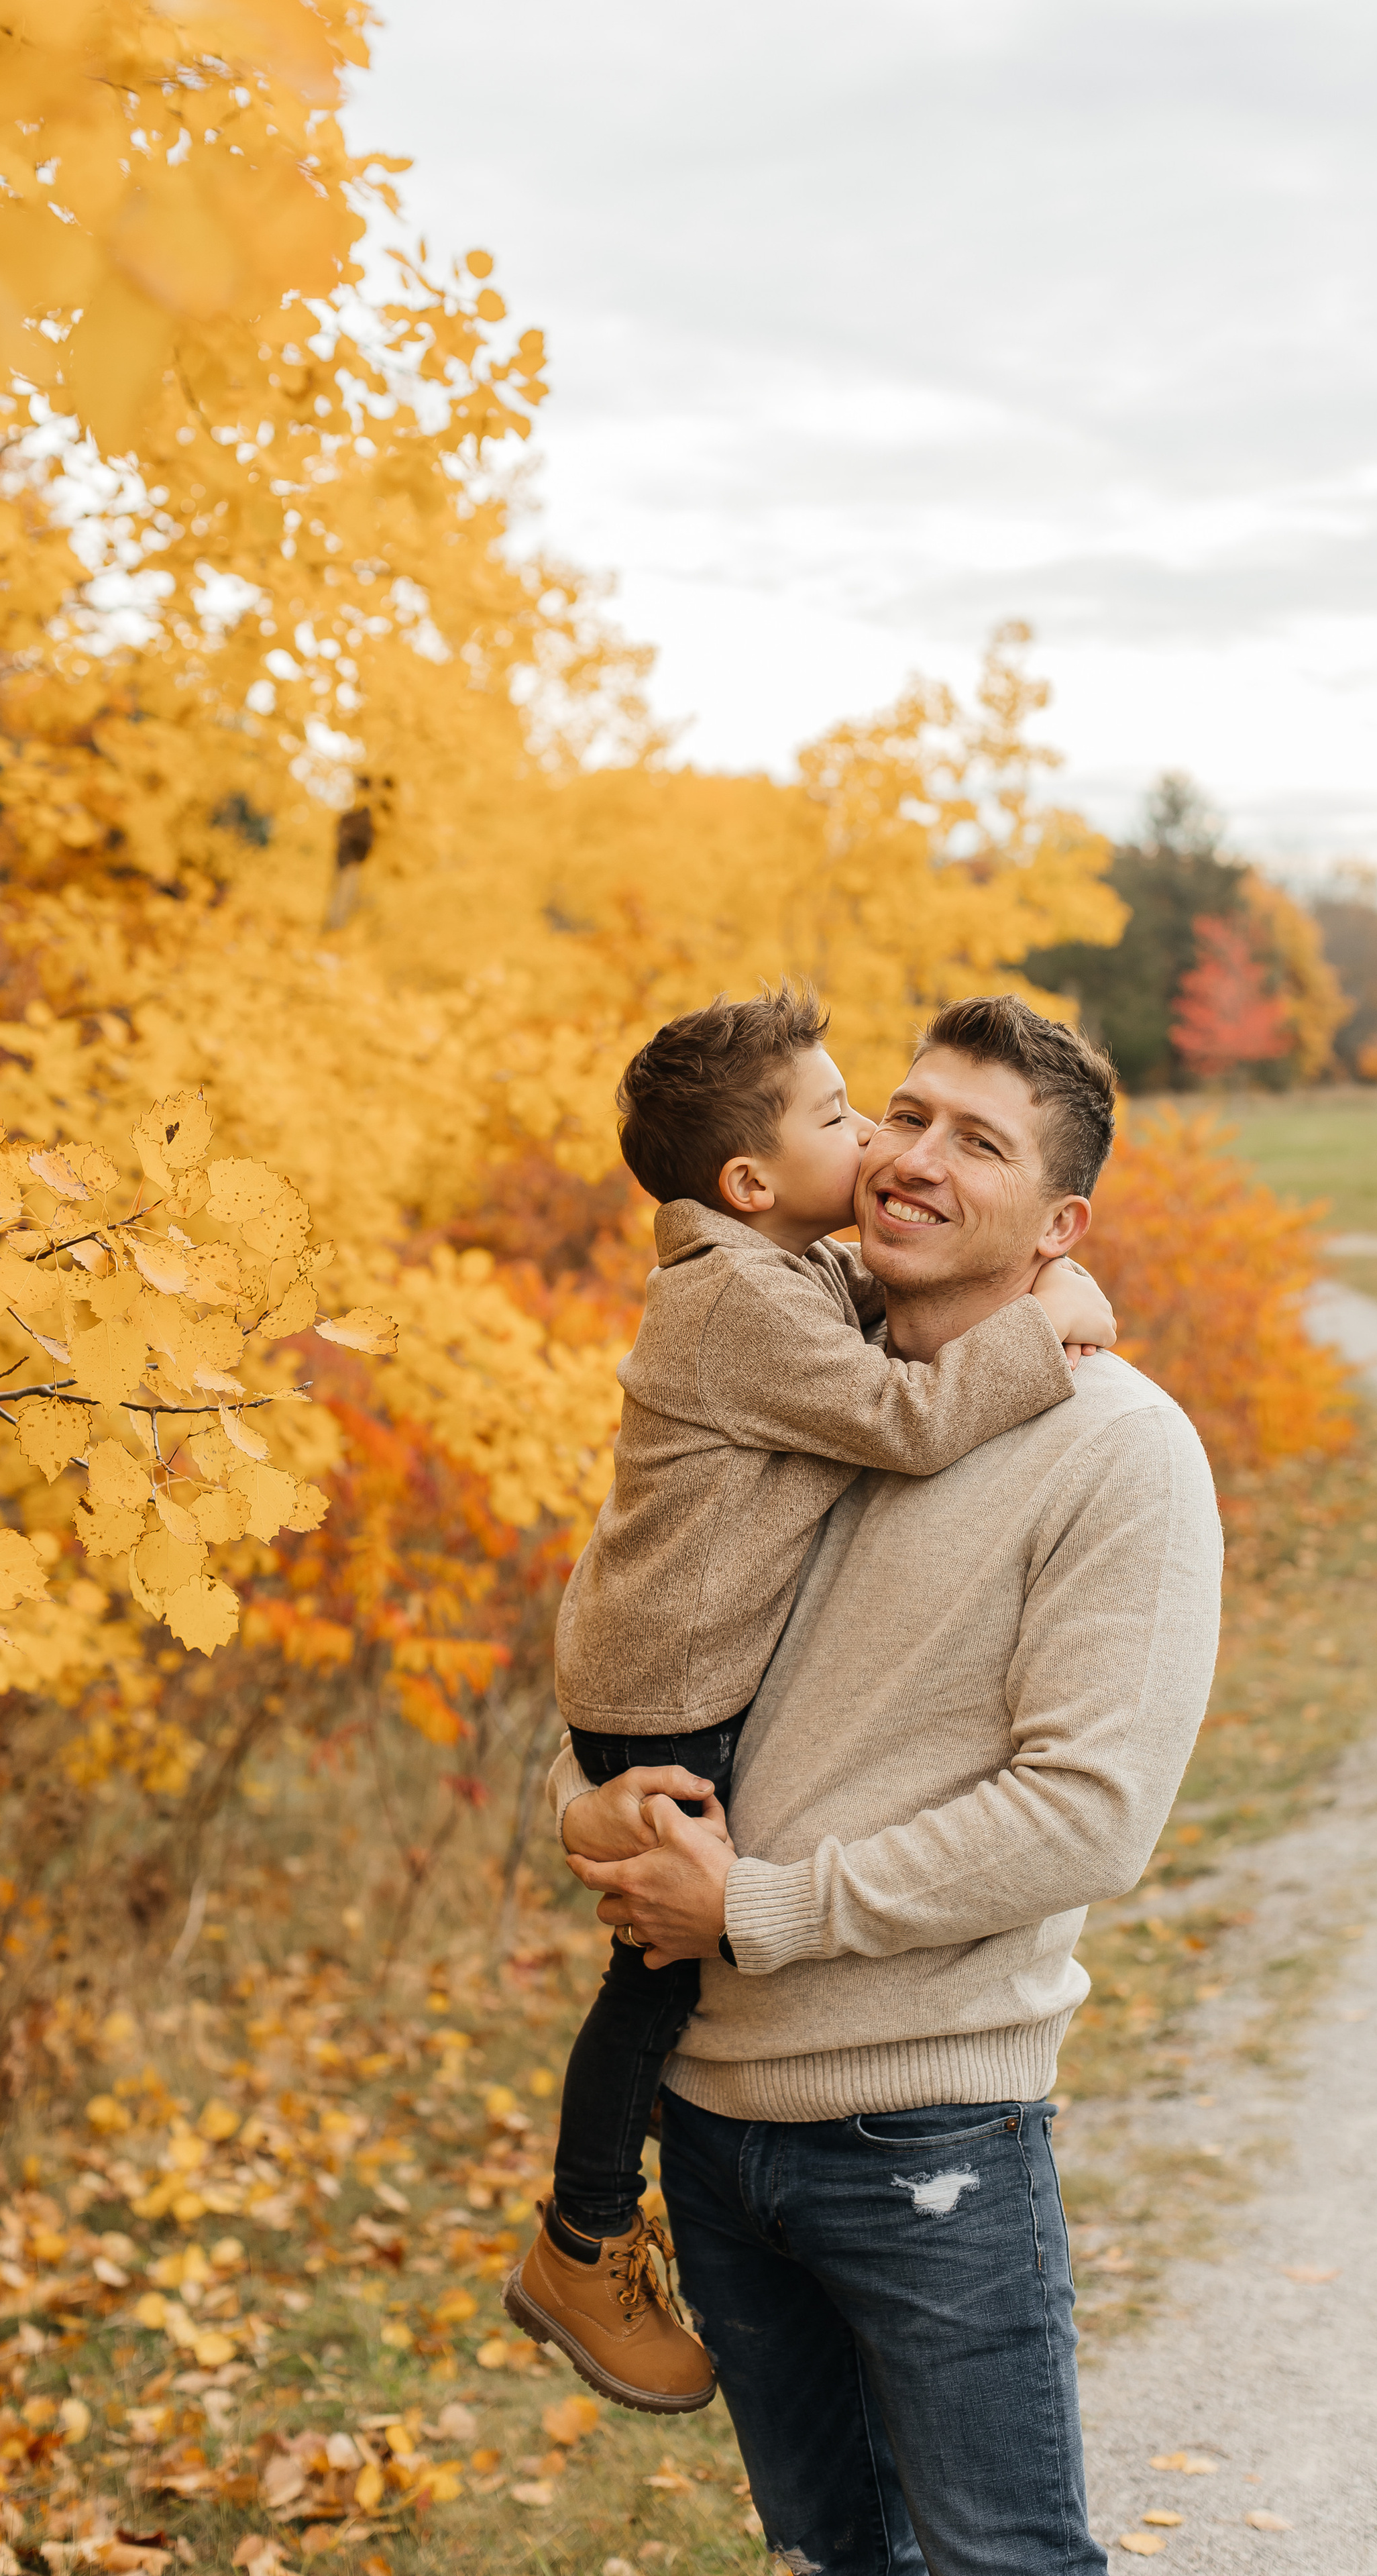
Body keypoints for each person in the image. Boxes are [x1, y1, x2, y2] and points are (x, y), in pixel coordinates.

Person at [559, 995, 1224, 2576]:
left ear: (1060, 1227)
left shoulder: (1116, 1453)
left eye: (974, 1142)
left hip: (919, 2134)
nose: (910, 1157)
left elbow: (1086, 1814)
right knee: (825, 2558)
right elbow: (635, 1644)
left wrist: (763, 1905)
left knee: (1000, 2563)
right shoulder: (786, 1357)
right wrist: (588, 1814)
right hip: (709, 2125)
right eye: (903, 1114)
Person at [504, 984, 1117, 2411]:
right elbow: (903, 1416)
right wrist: (1046, 1323)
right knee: (647, 1983)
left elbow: (878, 1330)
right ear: (751, 1182)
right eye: (857, 1117)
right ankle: (580, 2237)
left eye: (953, 1135)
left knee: (652, 1975)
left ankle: (587, 2230)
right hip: (661, 1704)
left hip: (660, 1699)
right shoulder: (732, 1299)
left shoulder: (767, 1277)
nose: (883, 1150)